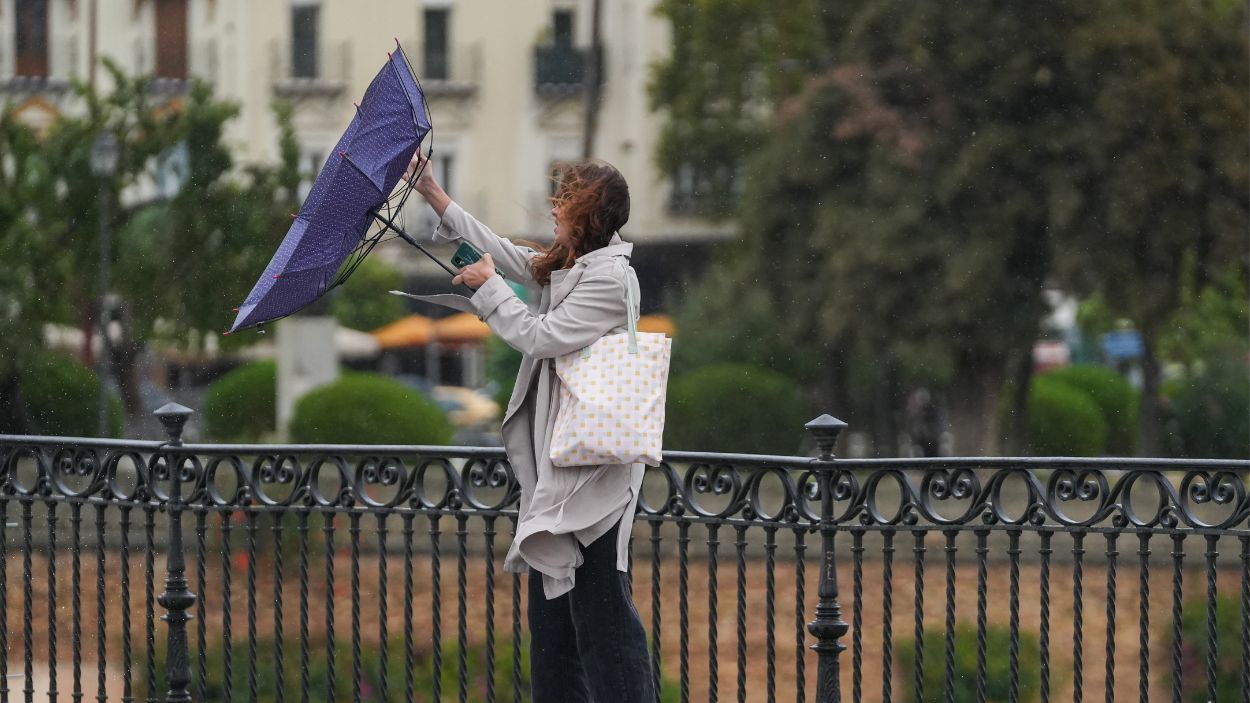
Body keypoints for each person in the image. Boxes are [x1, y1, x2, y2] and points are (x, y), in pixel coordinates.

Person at [403, 152, 656, 703]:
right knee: (553, 631)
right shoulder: (576, 263)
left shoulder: (611, 279)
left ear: (588, 215)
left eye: (566, 201)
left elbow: (542, 336)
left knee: (603, 620)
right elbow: (513, 258)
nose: (554, 209)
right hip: (559, 469)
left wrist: (489, 289)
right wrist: (433, 194)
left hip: (594, 478)